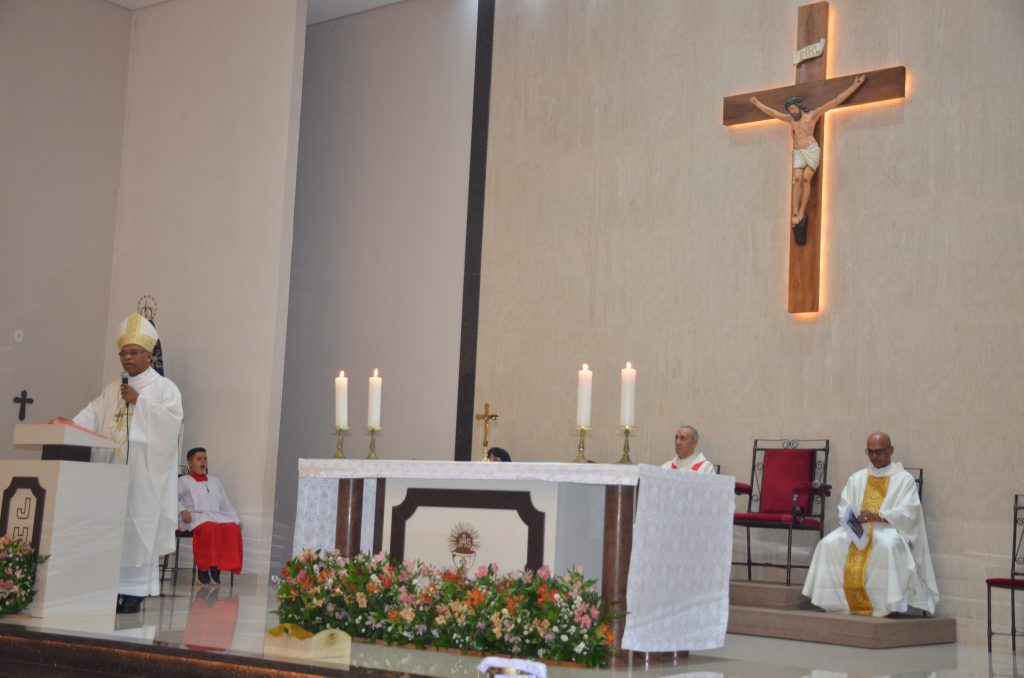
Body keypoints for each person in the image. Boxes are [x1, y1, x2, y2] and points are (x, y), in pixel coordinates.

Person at [49, 313, 183, 613]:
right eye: (123, 353)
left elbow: (172, 425)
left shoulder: (165, 389)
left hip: (143, 478)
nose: (127, 358)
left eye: (134, 352)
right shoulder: (112, 389)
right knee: (111, 529)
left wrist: (141, 403)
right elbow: (92, 415)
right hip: (112, 476)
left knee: (137, 530)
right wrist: (67, 424)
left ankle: (135, 591)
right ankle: (109, 586)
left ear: (149, 356)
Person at [802, 432, 939, 617]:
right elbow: (844, 506)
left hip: (889, 528)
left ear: (891, 450)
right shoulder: (857, 478)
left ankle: (887, 605)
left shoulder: (904, 479)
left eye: (880, 452)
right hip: (857, 530)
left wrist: (880, 515)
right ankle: (835, 603)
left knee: (887, 546)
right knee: (827, 544)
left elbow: (909, 511)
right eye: (870, 452)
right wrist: (853, 517)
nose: (875, 457)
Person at [749, 74, 866, 242]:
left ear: (799, 106)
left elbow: (835, 100)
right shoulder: (790, 120)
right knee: (796, 178)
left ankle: (802, 210)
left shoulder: (813, 115)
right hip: (797, 152)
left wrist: (855, 85)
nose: (791, 112)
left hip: (811, 150)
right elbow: (772, 112)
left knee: (805, 179)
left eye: (793, 108)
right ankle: (795, 211)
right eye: (789, 110)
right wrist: (756, 103)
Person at [178, 447, 244, 585]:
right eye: (199, 458)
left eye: (205, 458)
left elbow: (225, 503)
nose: (203, 461)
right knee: (209, 527)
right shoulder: (184, 481)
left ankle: (218, 566)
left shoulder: (215, 481)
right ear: (190, 462)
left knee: (232, 528)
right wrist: (182, 510)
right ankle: (204, 567)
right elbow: (171, 497)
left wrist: (236, 520)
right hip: (194, 517)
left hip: (215, 515)